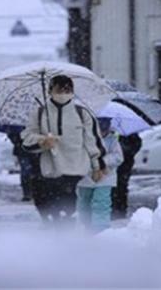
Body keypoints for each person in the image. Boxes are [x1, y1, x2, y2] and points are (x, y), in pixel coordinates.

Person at [21, 75, 107, 224]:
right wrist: (42, 141)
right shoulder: (39, 113)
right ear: (50, 91)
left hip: (74, 170)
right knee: (47, 209)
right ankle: (52, 234)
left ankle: (66, 239)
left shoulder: (83, 113)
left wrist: (97, 166)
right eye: (59, 89)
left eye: (68, 90)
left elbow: (93, 141)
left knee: (68, 211)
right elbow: (26, 140)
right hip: (47, 171)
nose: (63, 93)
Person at [76, 120, 124, 233]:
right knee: (84, 202)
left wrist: (103, 163)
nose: (102, 133)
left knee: (102, 202)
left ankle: (100, 227)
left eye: (104, 131)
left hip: (106, 177)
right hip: (86, 176)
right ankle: (86, 224)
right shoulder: (84, 138)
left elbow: (118, 157)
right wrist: (92, 166)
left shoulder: (112, 140)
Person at [112, 133, 142, 219]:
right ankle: (114, 209)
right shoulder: (109, 131)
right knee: (112, 188)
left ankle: (120, 211)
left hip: (124, 164)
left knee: (121, 187)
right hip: (113, 165)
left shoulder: (128, 133)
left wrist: (124, 150)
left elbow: (136, 144)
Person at [7, 132, 38, 201]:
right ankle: (27, 192)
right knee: (26, 171)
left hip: (34, 149)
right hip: (23, 150)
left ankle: (32, 191)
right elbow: (12, 135)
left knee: (33, 171)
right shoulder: (17, 127)